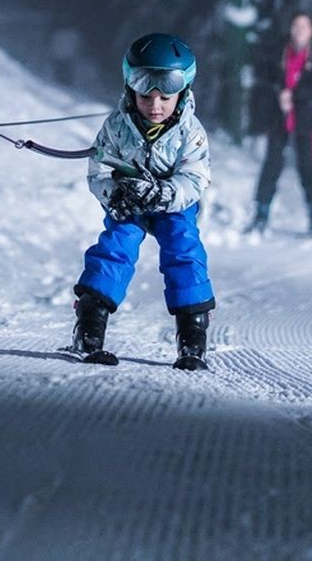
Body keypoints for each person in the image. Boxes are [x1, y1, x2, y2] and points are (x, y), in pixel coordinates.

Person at [69, 33, 216, 370]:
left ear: (182, 95)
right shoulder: (117, 128)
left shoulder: (190, 131)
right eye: (146, 96)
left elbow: (196, 176)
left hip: (173, 204)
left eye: (166, 97)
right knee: (117, 244)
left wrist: (167, 193)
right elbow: (98, 170)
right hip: (131, 200)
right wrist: (114, 192)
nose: (155, 106)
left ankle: (192, 333)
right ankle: (91, 323)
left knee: (183, 245)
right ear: (130, 89)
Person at [246, 12, 312, 235]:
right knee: (271, 165)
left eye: (304, 26)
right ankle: (260, 215)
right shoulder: (278, 52)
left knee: (307, 168)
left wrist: (294, 96)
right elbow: (265, 80)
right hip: (279, 119)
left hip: (305, 120)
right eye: (296, 25)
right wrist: (278, 94)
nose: (299, 30)